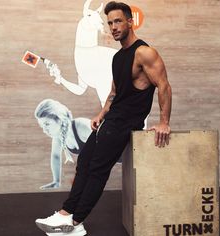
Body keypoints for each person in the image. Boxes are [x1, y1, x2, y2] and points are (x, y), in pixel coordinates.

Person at [35, 1, 172, 236]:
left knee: (98, 169)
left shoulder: (144, 53)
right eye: (110, 23)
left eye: (118, 21)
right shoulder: (119, 57)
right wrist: (100, 115)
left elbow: (164, 86)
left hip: (125, 123)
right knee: (85, 162)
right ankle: (66, 213)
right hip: (111, 120)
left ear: (130, 21)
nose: (113, 27)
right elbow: (114, 93)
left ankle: (74, 222)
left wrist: (164, 122)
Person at [34, 99, 92, 190]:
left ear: (59, 120)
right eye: (42, 126)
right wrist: (56, 181)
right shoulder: (59, 136)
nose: (44, 130)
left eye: (47, 124)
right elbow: (56, 156)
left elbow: (105, 147)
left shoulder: (82, 126)